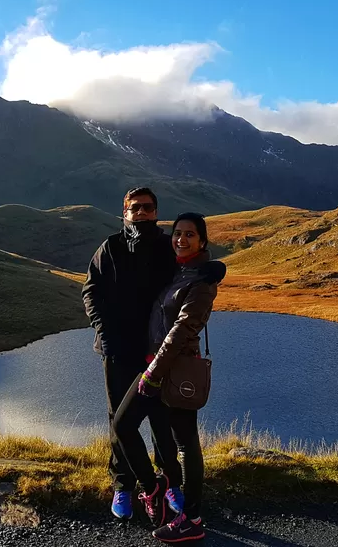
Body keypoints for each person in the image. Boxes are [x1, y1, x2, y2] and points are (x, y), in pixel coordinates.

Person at [111, 212, 225, 543]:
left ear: (202, 241)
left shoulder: (201, 281)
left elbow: (181, 331)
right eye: (177, 233)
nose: (181, 239)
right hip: (155, 364)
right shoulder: (181, 270)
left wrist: (153, 373)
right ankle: (154, 487)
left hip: (171, 371)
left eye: (190, 234)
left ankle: (191, 519)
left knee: (186, 444)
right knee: (125, 425)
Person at [83, 187, 181, 520]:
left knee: (160, 417)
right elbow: (90, 291)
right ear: (124, 212)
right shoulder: (110, 247)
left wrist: (211, 270)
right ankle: (123, 486)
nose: (141, 213)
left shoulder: (168, 248)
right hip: (117, 349)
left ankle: (170, 483)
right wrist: (103, 333)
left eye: (148, 208)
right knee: (119, 420)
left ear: (156, 212)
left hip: (158, 350)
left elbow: (191, 274)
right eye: (135, 208)